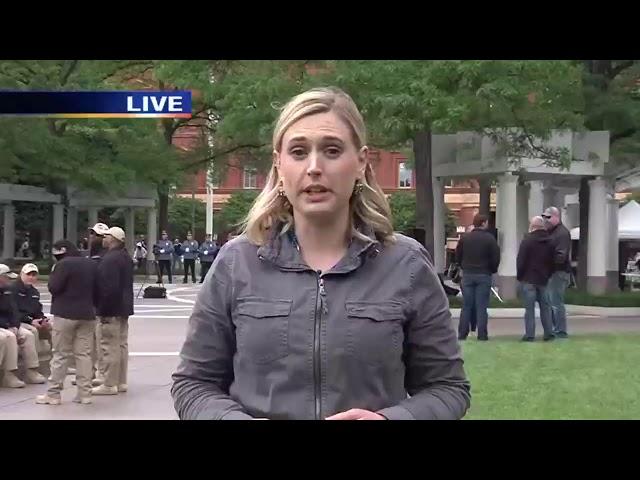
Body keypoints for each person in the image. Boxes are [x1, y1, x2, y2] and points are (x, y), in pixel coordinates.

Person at [171, 87, 470, 420]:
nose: (314, 167)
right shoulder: (236, 263)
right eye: (298, 152)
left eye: (331, 150)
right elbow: (194, 384)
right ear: (279, 165)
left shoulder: (406, 264)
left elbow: (448, 389)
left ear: (360, 162)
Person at [35, 241, 99, 405]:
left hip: (65, 314)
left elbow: (54, 287)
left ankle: (54, 393)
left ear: (61, 252)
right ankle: (85, 393)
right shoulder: (91, 264)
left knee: (60, 354)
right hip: (87, 314)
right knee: (84, 355)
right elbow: (99, 290)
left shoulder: (62, 265)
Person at [92, 227, 134, 396]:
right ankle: (120, 380)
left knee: (109, 346)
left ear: (113, 239)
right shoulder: (125, 257)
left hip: (111, 309)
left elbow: (108, 288)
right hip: (124, 308)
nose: (104, 238)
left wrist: (102, 310)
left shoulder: (109, 259)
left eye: (107, 235)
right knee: (121, 345)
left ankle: (109, 383)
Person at [455, 213, 500, 341]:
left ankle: (462, 334)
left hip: (468, 274)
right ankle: (482, 334)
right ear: (484, 223)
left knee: (467, 305)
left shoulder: (465, 238)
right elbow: (495, 257)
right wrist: (492, 269)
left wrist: (463, 266)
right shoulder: (490, 239)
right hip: (483, 274)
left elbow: (457, 255)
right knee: (481, 306)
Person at [0, 264, 45, 388]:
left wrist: (15, 325)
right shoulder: (12, 289)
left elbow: (13, 311)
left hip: (8, 324)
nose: (9, 280)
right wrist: (8, 326)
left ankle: (32, 371)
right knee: (8, 337)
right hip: (3, 325)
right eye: (6, 277)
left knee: (28, 335)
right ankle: (9, 375)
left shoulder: (7, 290)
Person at [517, 216, 555, 342]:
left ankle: (530, 335)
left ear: (533, 226)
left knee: (529, 309)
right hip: (544, 279)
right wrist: (548, 274)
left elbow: (521, 260)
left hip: (528, 278)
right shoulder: (550, 241)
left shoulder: (527, 241)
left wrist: (520, 276)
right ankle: (549, 333)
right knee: (546, 308)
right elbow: (553, 261)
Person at [12, 263, 52, 361]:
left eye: (34, 275)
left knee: (52, 327)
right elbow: (14, 312)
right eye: (28, 274)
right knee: (32, 331)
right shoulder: (13, 289)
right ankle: (34, 364)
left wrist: (43, 319)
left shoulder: (34, 292)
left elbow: (37, 311)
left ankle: (57, 360)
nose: (31, 277)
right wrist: (30, 321)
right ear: (21, 274)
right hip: (18, 321)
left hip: (30, 321)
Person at [542, 206, 572, 339]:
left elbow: (561, 255)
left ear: (556, 217)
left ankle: (560, 331)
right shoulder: (552, 232)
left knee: (556, 302)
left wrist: (547, 263)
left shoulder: (562, 233)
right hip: (552, 272)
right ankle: (555, 329)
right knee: (551, 302)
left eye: (548, 217)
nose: (545, 220)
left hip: (558, 272)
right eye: (544, 217)